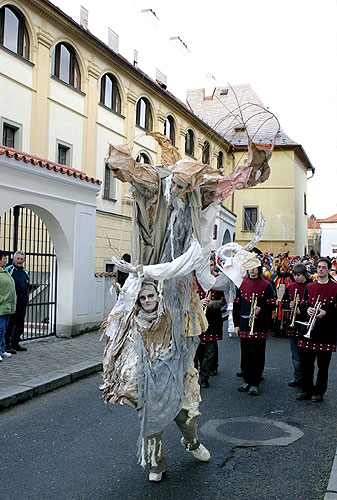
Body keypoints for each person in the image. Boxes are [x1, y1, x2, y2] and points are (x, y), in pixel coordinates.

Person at [296, 258, 337, 403]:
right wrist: (308, 310)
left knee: (323, 365)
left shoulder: (335, 287)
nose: (320, 270)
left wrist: (326, 312)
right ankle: (306, 389)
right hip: (308, 329)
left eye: (324, 268)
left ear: (329, 270)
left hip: (326, 331)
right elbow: (302, 305)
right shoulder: (309, 287)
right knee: (306, 363)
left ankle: (319, 392)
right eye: (319, 267)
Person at [233, 265, 275, 396]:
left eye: (255, 268)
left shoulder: (267, 285)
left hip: (260, 324)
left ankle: (255, 383)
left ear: (259, 269)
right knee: (245, 354)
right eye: (250, 268)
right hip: (245, 324)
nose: (252, 270)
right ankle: (246, 380)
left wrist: (261, 308)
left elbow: (273, 305)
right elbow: (236, 305)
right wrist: (236, 324)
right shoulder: (241, 284)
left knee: (258, 354)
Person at [195, 258, 225, 387]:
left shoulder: (218, 281)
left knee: (210, 350)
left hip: (213, 319)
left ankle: (204, 377)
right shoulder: (194, 281)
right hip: (197, 319)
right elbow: (187, 298)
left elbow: (225, 300)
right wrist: (198, 302)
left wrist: (213, 303)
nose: (209, 268)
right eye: (206, 265)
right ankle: (196, 374)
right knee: (197, 350)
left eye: (211, 265)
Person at [282, 263, 311, 387]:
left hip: (306, 323)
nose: (296, 278)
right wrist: (290, 305)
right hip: (293, 324)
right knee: (295, 354)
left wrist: (302, 309)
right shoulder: (290, 287)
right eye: (294, 275)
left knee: (306, 354)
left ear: (304, 274)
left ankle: (306, 379)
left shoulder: (310, 286)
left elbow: (313, 303)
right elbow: (283, 303)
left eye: (299, 275)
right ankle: (297, 377)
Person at [5, 250, 30, 353]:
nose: (19, 261)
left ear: (24, 260)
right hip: (12, 302)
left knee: (20, 324)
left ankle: (15, 343)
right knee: (10, 324)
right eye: (18, 258)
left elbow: (27, 286)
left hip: (22, 303)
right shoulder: (9, 270)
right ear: (14, 259)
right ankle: (7, 345)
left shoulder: (26, 272)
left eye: (21, 259)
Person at [0, 251, 16, 361]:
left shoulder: (4, 271)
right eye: (4, 258)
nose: (6, 260)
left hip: (7, 306)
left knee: (3, 329)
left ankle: (1, 350)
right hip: (1, 305)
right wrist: (2, 299)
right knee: (0, 329)